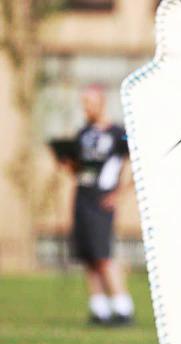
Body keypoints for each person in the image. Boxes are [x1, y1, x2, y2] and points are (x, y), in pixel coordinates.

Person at [61, 85, 135, 326]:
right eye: (83, 103)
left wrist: (119, 194)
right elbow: (79, 170)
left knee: (102, 254)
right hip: (82, 197)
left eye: (89, 103)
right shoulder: (83, 133)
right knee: (88, 256)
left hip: (102, 201)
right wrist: (67, 163)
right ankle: (99, 309)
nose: (86, 108)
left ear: (101, 102)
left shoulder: (118, 133)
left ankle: (123, 308)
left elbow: (135, 164)